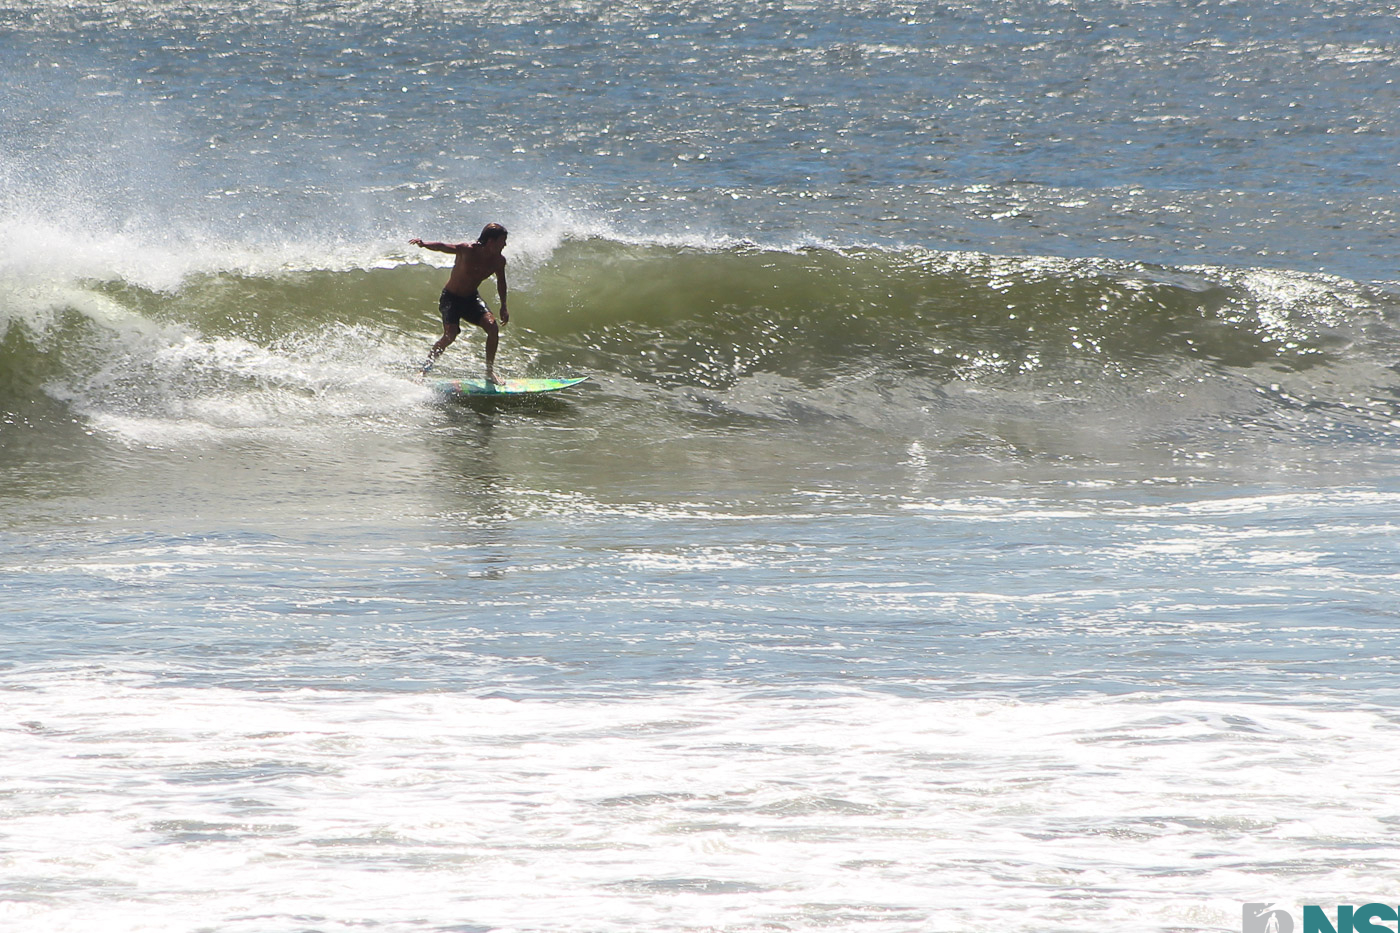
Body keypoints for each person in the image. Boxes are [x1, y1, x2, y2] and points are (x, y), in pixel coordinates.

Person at [410, 223, 510, 382]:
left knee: (492, 327)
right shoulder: (467, 250)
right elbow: (443, 246)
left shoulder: (498, 261)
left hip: (471, 299)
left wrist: (504, 306)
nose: (505, 245)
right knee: (450, 335)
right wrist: (423, 244)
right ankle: (424, 370)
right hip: (451, 298)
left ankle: (489, 372)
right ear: (491, 241)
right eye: (502, 241)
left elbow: (501, 282)